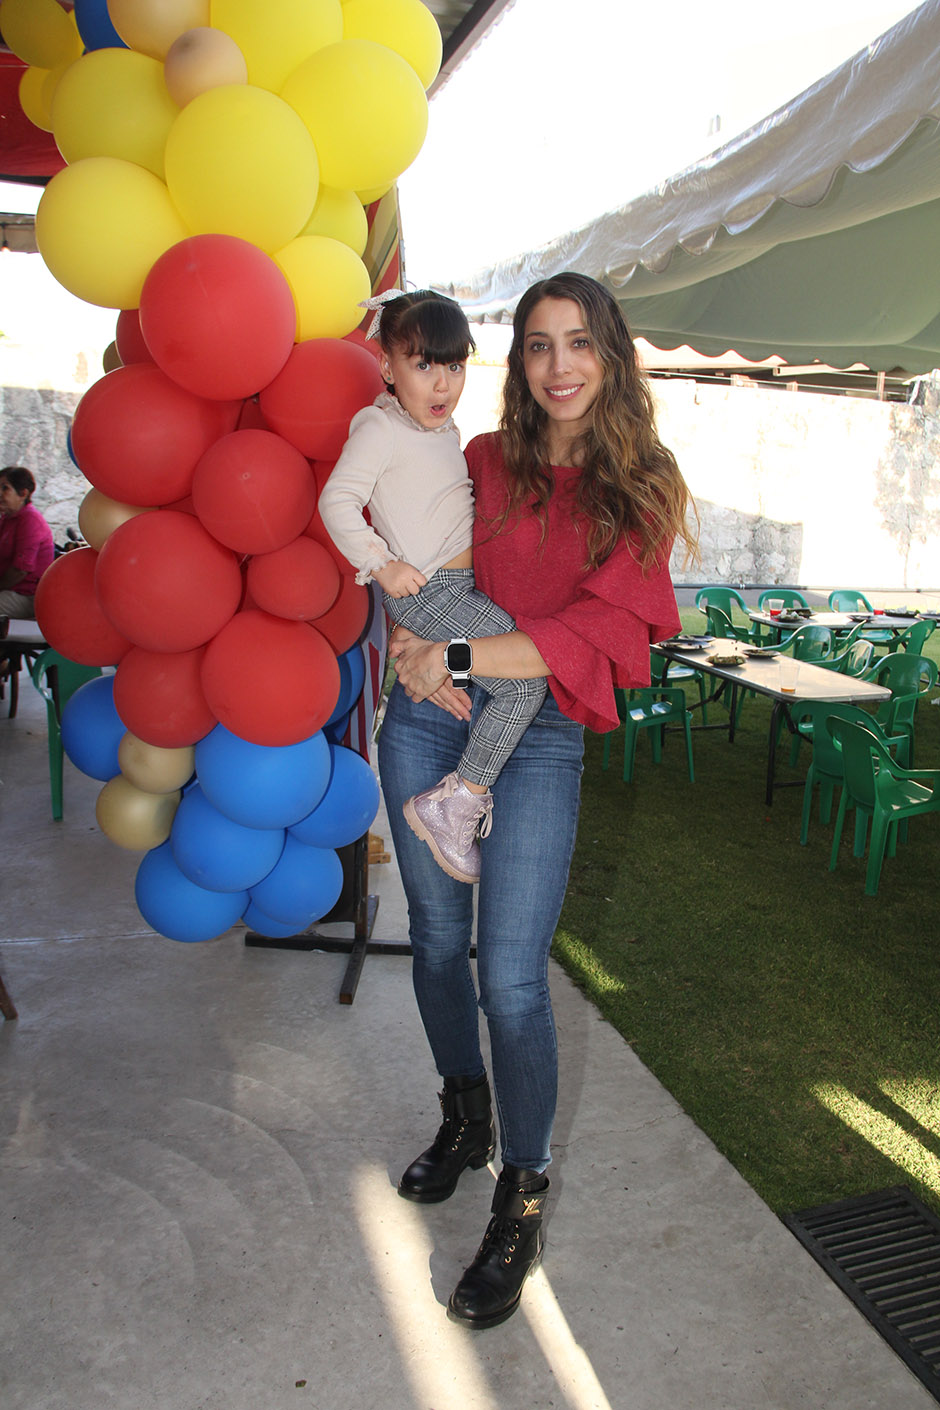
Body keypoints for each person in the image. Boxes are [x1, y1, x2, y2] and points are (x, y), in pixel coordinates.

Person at [377, 271, 696, 1330]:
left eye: (578, 344)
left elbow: (594, 636)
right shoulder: (478, 460)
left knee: (510, 976)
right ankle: (462, 1118)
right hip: (430, 712)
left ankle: (522, 1190)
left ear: (609, 356)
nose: (557, 366)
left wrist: (458, 645)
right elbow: (419, 564)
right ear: (515, 362)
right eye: (537, 345)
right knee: (432, 942)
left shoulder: (641, 489)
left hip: (542, 730)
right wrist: (413, 641)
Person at [319, 289, 547, 885]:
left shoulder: (442, 431)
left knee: (500, 674)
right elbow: (337, 499)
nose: (442, 384)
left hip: (453, 592)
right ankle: (457, 802)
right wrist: (381, 565)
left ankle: (448, 712)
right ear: (387, 367)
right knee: (527, 683)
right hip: (429, 588)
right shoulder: (379, 427)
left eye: (454, 365)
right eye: (423, 365)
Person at [0, 466, 55, 622]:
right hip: (9, 591)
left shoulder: (30, 520)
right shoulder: (7, 519)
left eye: (5, 489)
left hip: (26, 596)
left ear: (23, 493)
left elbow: (20, 570)